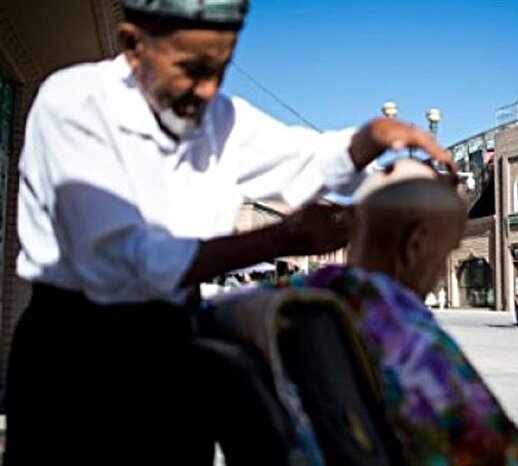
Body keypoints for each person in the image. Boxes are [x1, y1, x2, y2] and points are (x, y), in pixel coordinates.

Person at [4, 1, 455, 464]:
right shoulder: (74, 102)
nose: (207, 89)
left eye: (220, 68)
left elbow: (309, 157)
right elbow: (117, 262)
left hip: (175, 351)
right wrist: (281, 239)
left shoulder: (219, 116)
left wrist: (373, 137)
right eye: (192, 68)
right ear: (133, 45)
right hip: (77, 357)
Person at [267, 159, 518, 463]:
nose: (441, 271)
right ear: (414, 245)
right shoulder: (409, 341)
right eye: (446, 253)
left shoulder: (282, 299)